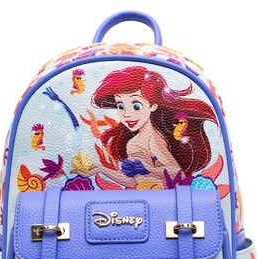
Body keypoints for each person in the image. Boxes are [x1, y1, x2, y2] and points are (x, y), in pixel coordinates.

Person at [75, 66, 218, 189]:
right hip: (141, 201)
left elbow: (178, 174)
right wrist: (100, 169)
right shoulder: (132, 143)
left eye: (136, 106)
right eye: (121, 106)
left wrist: (147, 168)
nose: (126, 114)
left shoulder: (153, 140)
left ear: (153, 105)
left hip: (165, 201)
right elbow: (133, 181)